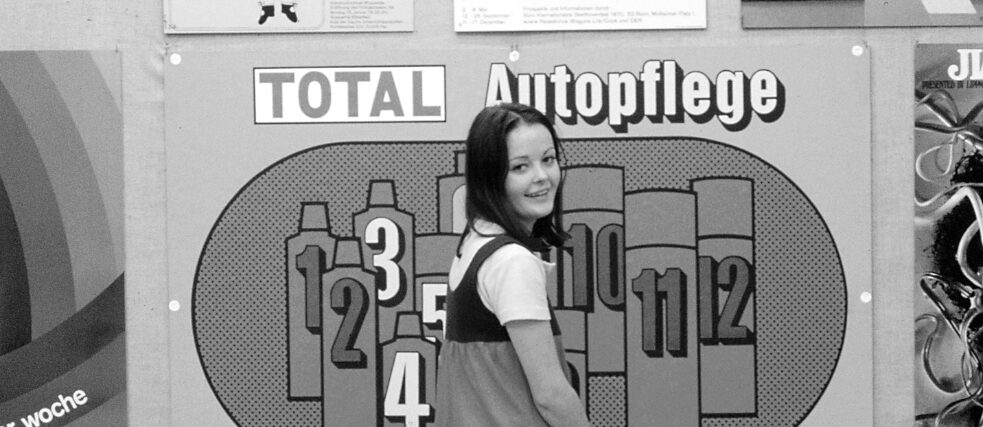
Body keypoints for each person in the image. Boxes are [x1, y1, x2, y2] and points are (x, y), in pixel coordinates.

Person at [435, 103, 591, 426]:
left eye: (548, 160)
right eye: (520, 167)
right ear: (490, 178)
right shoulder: (511, 262)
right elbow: (551, 396)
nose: (542, 177)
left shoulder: (474, 243)